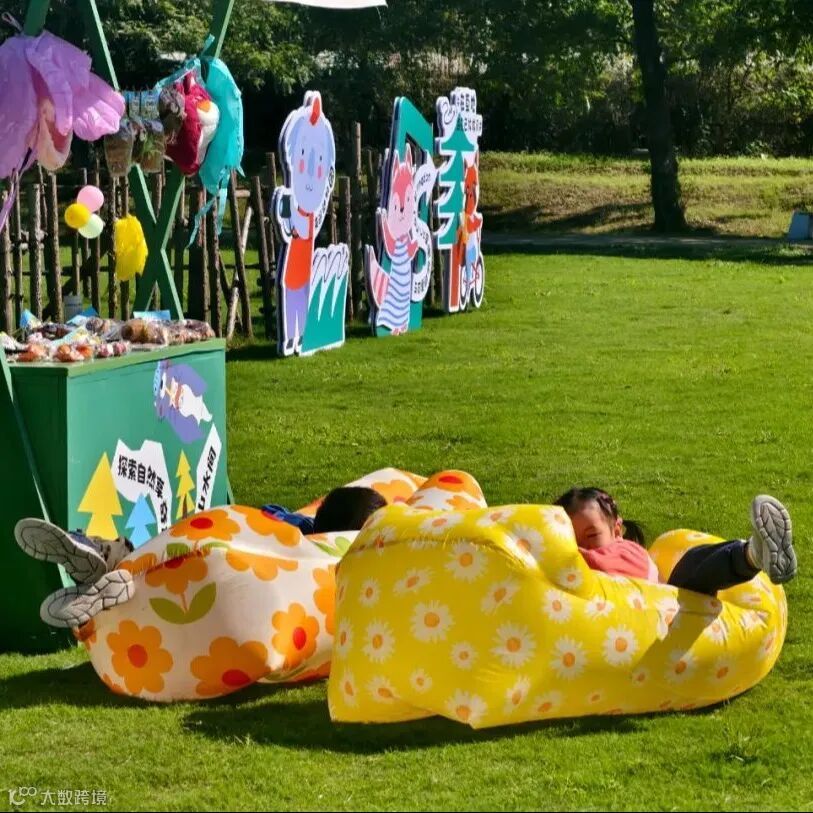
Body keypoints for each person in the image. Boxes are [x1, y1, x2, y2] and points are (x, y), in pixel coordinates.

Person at [553, 487, 797, 595]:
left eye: (592, 535)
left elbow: (583, 563)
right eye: (570, 539)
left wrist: (550, 547)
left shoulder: (623, 552)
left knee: (693, 567)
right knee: (694, 567)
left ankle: (752, 554)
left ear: (617, 530)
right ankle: (754, 553)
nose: (581, 547)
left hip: (673, 618)